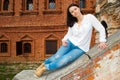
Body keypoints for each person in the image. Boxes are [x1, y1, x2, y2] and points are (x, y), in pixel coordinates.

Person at [34, 3, 107, 78]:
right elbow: (69, 34)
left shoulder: (89, 17)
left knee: (64, 60)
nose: (74, 12)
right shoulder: (73, 23)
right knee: (57, 56)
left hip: (81, 48)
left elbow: (101, 28)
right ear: (71, 15)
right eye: (72, 12)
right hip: (70, 42)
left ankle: (45, 68)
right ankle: (44, 63)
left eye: (75, 9)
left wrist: (102, 41)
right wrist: (64, 39)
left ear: (79, 8)